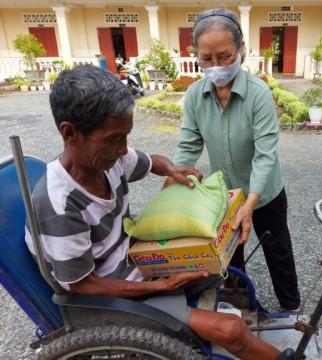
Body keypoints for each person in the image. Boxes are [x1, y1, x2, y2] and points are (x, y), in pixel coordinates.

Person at [25, 64, 279, 360]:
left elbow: (152, 162)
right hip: (107, 301)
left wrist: (172, 168)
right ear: (70, 132)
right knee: (231, 330)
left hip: (136, 268)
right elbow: (84, 286)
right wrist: (163, 285)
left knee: (213, 259)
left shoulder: (108, 159)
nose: (123, 149)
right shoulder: (58, 204)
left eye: (126, 136)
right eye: (113, 139)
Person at [170, 8, 301, 312]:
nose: (215, 66)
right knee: (230, 257)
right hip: (226, 195)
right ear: (197, 56)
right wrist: (172, 184)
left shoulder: (258, 94)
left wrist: (251, 204)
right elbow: (188, 146)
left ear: (241, 50)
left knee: (277, 250)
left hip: (265, 193)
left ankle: (292, 308)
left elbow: (266, 154)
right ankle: (240, 307)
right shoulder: (193, 96)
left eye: (225, 56)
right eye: (206, 58)